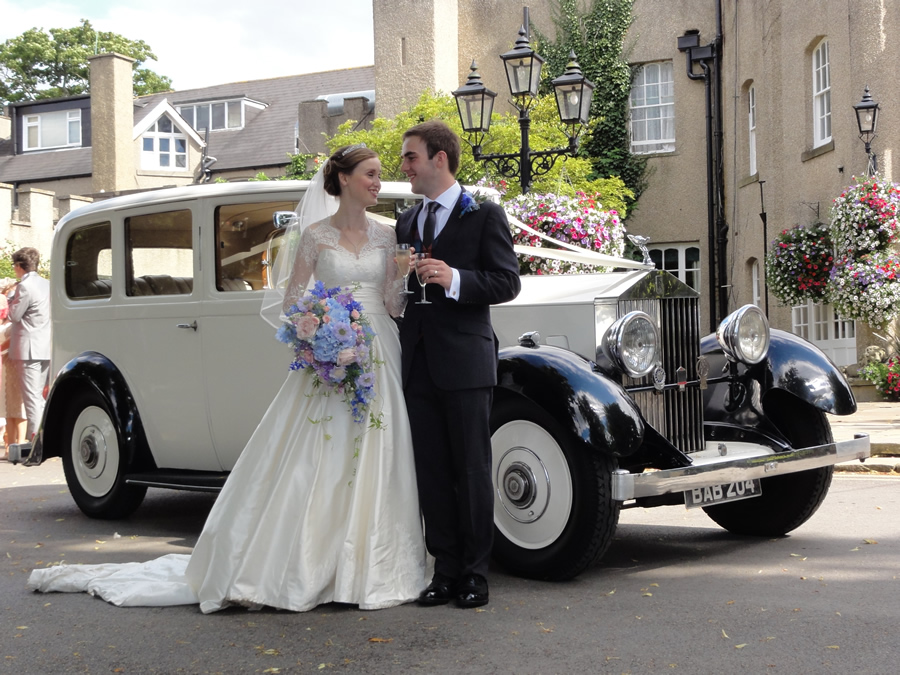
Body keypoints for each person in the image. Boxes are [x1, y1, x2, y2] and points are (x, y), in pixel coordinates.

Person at [28, 145, 428, 613]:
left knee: (383, 451)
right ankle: (311, 560)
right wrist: (321, 334)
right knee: (320, 453)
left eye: (380, 175)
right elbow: (293, 301)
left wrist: (400, 277)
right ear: (343, 179)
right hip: (331, 355)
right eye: (371, 174)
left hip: (379, 346)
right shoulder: (316, 236)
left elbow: (394, 306)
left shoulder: (388, 235)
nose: (378, 182)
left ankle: (373, 563)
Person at [396, 120, 521, 608]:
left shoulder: (484, 214)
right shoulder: (406, 222)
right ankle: (443, 570)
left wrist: (454, 278)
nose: (403, 166)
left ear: (439, 159)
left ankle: (474, 575)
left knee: (471, 470)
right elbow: (398, 295)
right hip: (417, 363)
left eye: (410, 157)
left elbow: (506, 283)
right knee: (430, 470)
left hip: (466, 362)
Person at [8, 248, 50, 442]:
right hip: (45, 346)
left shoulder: (24, 286)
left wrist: (9, 298)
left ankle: (35, 443)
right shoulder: (47, 284)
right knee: (38, 398)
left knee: (32, 399)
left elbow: (14, 315)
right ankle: (42, 437)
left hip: (28, 350)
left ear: (19, 266)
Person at [0, 277, 26, 453]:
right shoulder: (9, 324)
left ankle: (20, 442)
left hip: (14, 363)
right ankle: (10, 445)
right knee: (9, 408)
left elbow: (11, 340)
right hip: (6, 366)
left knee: (18, 406)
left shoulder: (14, 324)